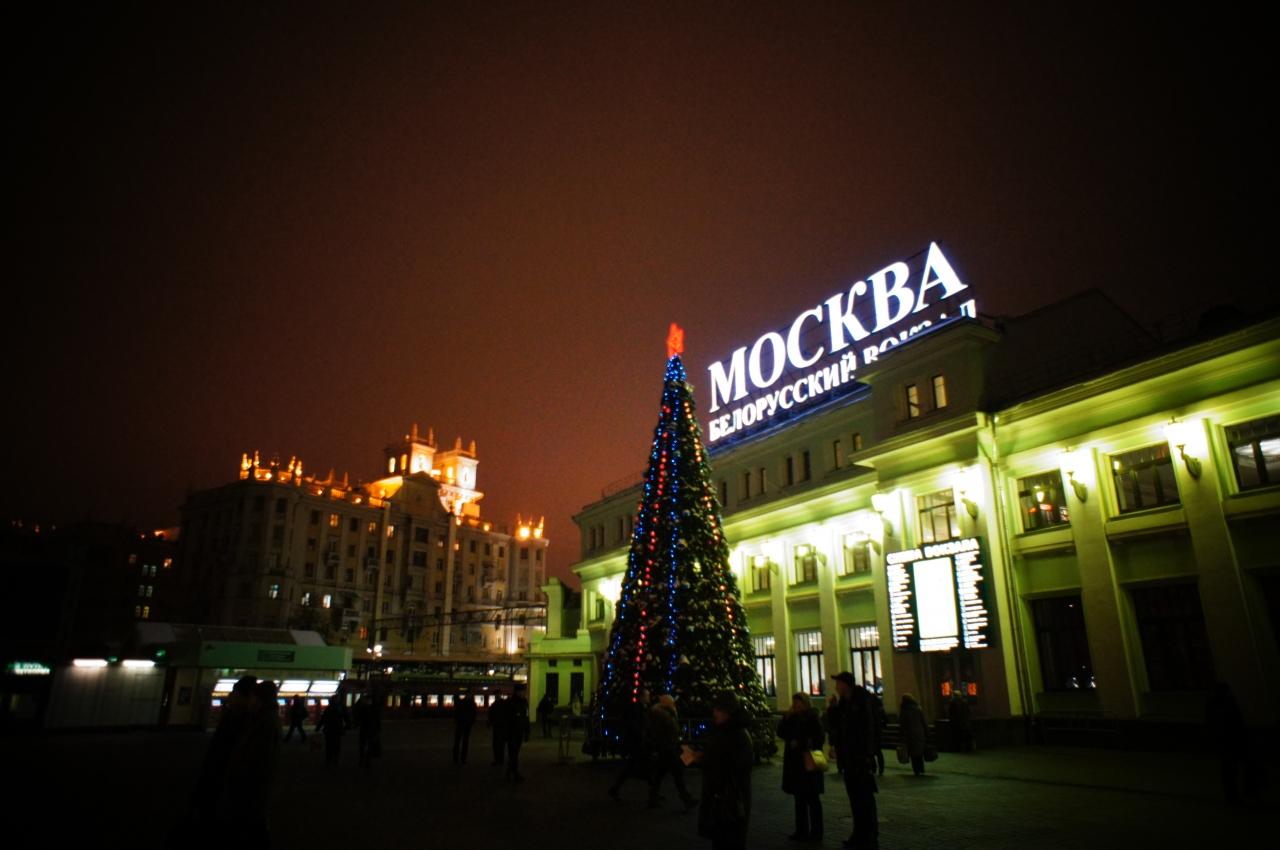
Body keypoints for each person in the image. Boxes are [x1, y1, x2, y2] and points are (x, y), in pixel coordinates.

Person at [191, 675, 257, 829]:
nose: (231, 696)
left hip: (224, 772)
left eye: (235, 693)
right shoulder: (249, 718)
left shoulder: (237, 718)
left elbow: (223, 747)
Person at [223, 679, 281, 848]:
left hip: (253, 785)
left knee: (253, 825)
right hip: (255, 786)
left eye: (253, 697)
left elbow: (259, 756)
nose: (251, 701)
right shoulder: (264, 719)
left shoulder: (264, 722)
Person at [694, 691, 753, 850]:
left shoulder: (736, 734)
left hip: (729, 799)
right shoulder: (725, 731)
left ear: (727, 711)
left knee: (729, 839)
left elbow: (732, 765)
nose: (714, 713)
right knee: (722, 839)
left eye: (718, 709)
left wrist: (705, 759)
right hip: (722, 798)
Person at [829, 672, 878, 850]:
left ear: (846, 685)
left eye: (838, 683)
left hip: (860, 758)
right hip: (848, 758)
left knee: (865, 799)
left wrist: (868, 755)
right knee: (855, 799)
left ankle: (870, 836)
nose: (836, 687)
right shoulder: (843, 703)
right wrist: (832, 709)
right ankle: (858, 834)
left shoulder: (862, 700)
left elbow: (870, 728)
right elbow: (836, 727)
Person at [778, 692, 825, 842]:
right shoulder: (792, 717)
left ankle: (816, 832)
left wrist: (801, 743)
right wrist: (786, 717)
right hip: (795, 765)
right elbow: (781, 732)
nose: (796, 706)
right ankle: (801, 830)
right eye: (794, 703)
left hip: (808, 763)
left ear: (805, 703)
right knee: (799, 799)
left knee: (812, 799)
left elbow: (819, 738)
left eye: (798, 703)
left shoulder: (812, 717)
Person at [648, 694, 696, 809]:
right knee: (676, 774)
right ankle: (686, 798)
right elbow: (670, 729)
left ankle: (653, 798)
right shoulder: (663, 715)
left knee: (661, 774)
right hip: (667, 747)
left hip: (665, 747)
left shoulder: (661, 713)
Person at [608, 687, 653, 801]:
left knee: (638, 767)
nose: (649, 698)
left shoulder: (642, 708)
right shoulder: (636, 709)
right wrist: (641, 735)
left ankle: (653, 793)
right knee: (637, 767)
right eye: (647, 696)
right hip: (637, 743)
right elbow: (634, 724)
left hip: (639, 742)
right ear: (642, 697)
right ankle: (653, 794)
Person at [505, 683, 531, 781]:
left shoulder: (524, 702)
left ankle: (510, 770)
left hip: (519, 730)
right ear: (517, 692)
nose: (524, 693)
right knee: (513, 752)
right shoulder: (511, 703)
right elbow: (507, 719)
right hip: (512, 731)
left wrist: (527, 731)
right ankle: (514, 772)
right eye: (522, 691)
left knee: (515, 752)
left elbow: (526, 717)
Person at [899, 693, 929, 776]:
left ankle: (916, 769)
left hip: (910, 734)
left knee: (913, 753)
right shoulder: (918, 709)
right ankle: (921, 768)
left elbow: (902, 724)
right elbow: (923, 721)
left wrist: (901, 734)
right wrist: (927, 731)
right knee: (920, 752)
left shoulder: (904, 710)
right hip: (919, 733)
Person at [316, 696, 348, 766]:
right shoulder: (340, 708)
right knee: (336, 744)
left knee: (329, 744)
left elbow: (323, 718)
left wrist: (318, 727)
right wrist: (347, 726)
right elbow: (346, 717)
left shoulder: (328, 708)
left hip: (329, 729)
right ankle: (335, 758)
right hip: (337, 729)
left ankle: (329, 758)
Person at [353, 694, 382, 768]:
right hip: (369, 730)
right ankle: (365, 760)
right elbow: (377, 720)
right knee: (365, 746)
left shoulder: (365, 708)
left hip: (368, 730)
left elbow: (377, 720)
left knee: (366, 746)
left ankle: (365, 760)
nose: (368, 701)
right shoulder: (370, 708)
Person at [453, 692, 478, 764]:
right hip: (467, 724)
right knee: (465, 741)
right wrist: (472, 721)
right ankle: (463, 759)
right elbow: (474, 714)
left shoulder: (460, 702)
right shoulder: (472, 703)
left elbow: (456, 712)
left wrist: (456, 721)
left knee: (458, 741)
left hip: (460, 724)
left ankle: (456, 758)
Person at [489, 693, 510, 766]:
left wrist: (490, 722)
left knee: (497, 744)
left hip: (498, 726)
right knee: (501, 744)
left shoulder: (495, 704)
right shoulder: (504, 704)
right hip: (503, 727)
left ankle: (498, 759)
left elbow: (491, 714)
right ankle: (500, 759)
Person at [869, 689, 887, 775]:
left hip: (871, 732)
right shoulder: (880, 709)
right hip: (878, 732)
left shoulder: (869, 709)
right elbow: (886, 720)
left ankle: (873, 768)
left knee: (872, 751)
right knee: (878, 751)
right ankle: (881, 768)